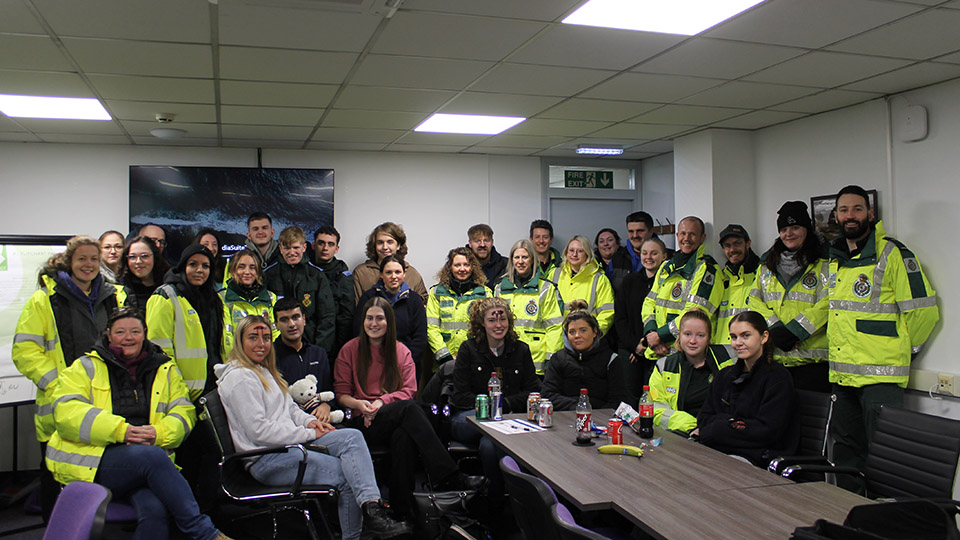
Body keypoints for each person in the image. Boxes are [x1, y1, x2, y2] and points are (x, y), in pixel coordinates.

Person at [216, 315, 411, 539]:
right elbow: (260, 432)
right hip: (267, 458)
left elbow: (289, 408)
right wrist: (309, 433)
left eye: (266, 338)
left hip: (287, 445)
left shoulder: (262, 370)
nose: (261, 344)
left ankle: (372, 510)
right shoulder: (240, 378)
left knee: (352, 437)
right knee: (347, 476)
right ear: (239, 342)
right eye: (253, 338)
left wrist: (311, 421)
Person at [46, 308, 231, 540]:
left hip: (145, 464)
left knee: (155, 511)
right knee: (152, 457)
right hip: (93, 461)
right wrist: (121, 431)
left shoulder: (165, 368)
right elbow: (65, 412)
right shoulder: (84, 367)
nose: (128, 337)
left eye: (135, 331)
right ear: (108, 335)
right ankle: (203, 532)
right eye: (120, 332)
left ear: (145, 333)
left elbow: (184, 411)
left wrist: (158, 433)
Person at [827, 185, 938, 493]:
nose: (851, 216)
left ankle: (884, 521)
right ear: (836, 216)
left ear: (870, 214)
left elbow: (924, 313)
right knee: (846, 455)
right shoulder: (836, 260)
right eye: (844, 210)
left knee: (885, 457)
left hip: (881, 380)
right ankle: (848, 515)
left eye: (857, 209)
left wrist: (905, 350)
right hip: (843, 377)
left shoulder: (894, 254)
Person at [335, 298, 487, 518]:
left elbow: (409, 390)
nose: (374, 323)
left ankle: (401, 512)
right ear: (363, 321)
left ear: (389, 322)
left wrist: (381, 402)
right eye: (369, 318)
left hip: (393, 416)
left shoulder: (401, 351)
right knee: (410, 410)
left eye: (380, 318)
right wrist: (361, 405)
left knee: (403, 435)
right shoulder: (349, 350)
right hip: (363, 422)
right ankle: (447, 475)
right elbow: (341, 394)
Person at [12, 235, 119, 520]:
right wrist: (59, 385)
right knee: (56, 476)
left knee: (96, 476)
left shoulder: (113, 297)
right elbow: (24, 350)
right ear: (69, 262)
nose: (88, 264)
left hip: (103, 404)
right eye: (82, 258)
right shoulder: (44, 299)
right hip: (61, 404)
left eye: (94, 259)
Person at [146, 243, 230, 510]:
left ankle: (201, 510)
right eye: (193, 264)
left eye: (206, 266)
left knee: (211, 456)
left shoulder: (214, 298)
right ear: (182, 266)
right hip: (180, 396)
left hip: (212, 391)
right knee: (187, 458)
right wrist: (178, 389)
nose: (200, 270)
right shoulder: (166, 297)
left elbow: (221, 345)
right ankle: (185, 513)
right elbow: (158, 351)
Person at [450, 297, 540, 495]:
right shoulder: (468, 349)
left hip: (510, 419)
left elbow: (533, 392)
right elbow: (460, 396)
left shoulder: (521, 349)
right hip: (472, 418)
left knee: (490, 446)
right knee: (492, 436)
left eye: (503, 319)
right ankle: (499, 500)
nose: (498, 325)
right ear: (481, 322)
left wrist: (505, 405)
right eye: (492, 320)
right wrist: (491, 407)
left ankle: (508, 499)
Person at [696, 311, 798, 467]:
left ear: (764, 337)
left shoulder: (778, 378)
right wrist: (730, 424)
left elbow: (767, 431)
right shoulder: (725, 375)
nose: (738, 342)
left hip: (757, 459)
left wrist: (720, 427)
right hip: (719, 451)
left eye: (746, 336)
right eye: (734, 337)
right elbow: (704, 418)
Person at [747, 202, 830, 392]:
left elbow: (828, 302)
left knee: (811, 420)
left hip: (812, 363)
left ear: (807, 229)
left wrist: (796, 330)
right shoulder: (767, 264)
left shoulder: (824, 263)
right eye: (784, 229)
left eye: (795, 227)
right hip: (775, 359)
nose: (788, 233)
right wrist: (774, 327)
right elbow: (753, 299)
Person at [639, 216, 722, 361]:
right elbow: (649, 303)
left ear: (702, 238)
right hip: (658, 352)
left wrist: (660, 336)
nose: (686, 238)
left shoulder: (707, 270)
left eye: (692, 234)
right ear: (677, 235)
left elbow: (695, 312)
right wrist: (652, 333)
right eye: (683, 233)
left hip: (689, 355)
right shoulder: (666, 266)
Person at [648, 310, 735, 436]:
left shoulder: (730, 358)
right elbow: (656, 409)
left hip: (722, 435)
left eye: (700, 335)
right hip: (683, 435)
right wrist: (694, 426)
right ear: (679, 336)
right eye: (687, 334)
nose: (693, 341)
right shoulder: (664, 366)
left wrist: (709, 428)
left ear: (709, 337)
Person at [541, 300, 630, 410]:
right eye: (572, 332)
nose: (577, 336)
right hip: (564, 418)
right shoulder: (558, 359)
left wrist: (592, 413)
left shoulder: (611, 360)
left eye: (583, 330)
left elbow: (618, 401)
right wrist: (580, 406)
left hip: (601, 420)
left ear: (595, 332)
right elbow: (548, 396)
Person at [493, 239, 563, 376]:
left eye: (525, 257)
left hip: (536, 362)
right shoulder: (500, 289)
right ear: (511, 260)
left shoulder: (546, 288)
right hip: (506, 360)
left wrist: (551, 359)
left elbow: (555, 327)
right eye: (516, 257)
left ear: (532, 259)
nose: (520, 261)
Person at [263, 226, 336, 353]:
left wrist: (318, 350)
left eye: (296, 247)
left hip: (310, 344)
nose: (292, 252)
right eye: (287, 248)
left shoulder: (316, 276)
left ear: (304, 247)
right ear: (280, 249)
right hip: (277, 348)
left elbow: (327, 317)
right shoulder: (268, 275)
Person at [355, 256, 427, 380]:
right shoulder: (368, 298)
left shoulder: (414, 300)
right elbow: (358, 331)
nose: (393, 276)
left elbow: (420, 337)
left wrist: (405, 362)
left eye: (398, 272)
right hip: (372, 365)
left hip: (407, 366)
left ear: (404, 274)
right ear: (381, 274)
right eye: (388, 272)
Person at [615, 238, 669, 394]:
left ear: (664, 256)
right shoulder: (629, 281)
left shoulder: (670, 284)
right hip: (632, 351)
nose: (649, 258)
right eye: (645, 253)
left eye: (654, 253)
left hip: (660, 349)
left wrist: (652, 344)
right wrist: (635, 346)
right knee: (632, 399)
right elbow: (620, 318)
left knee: (654, 398)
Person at [426, 247, 492, 366]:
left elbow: (489, 329)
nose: (462, 269)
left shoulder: (485, 294)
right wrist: (446, 357)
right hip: (444, 361)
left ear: (473, 267)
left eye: (466, 265)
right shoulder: (436, 293)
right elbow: (431, 328)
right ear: (450, 267)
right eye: (457, 265)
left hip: (475, 360)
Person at [273, 297, 336, 419]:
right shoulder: (270, 357)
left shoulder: (319, 354)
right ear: (276, 325)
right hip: (289, 424)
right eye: (284, 320)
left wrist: (326, 406)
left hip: (322, 421)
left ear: (304, 319)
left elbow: (330, 390)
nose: (291, 324)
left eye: (295, 317)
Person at [550, 235, 614, 336]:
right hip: (557, 336)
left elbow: (608, 312)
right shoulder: (554, 274)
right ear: (566, 252)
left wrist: (594, 333)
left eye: (580, 251)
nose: (574, 254)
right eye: (571, 250)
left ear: (587, 254)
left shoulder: (599, 279)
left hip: (586, 338)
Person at [352, 222, 428, 305]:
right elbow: (357, 307)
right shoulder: (361, 273)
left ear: (398, 245)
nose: (385, 247)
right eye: (380, 242)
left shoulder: (412, 274)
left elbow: (422, 306)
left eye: (390, 242)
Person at [220, 248, 278, 355]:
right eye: (241, 267)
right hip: (237, 362)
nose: (247, 272)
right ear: (232, 271)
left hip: (265, 361)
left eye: (252, 268)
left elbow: (275, 333)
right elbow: (227, 337)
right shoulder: (223, 298)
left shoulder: (270, 298)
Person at [714, 224, 761, 345]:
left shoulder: (762, 274)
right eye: (727, 246)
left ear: (748, 244)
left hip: (751, 351)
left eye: (737, 243)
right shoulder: (721, 277)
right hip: (722, 351)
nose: (732, 250)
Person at [314, 225, 355, 357]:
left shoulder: (343, 276)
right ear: (314, 245)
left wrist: (342, 348)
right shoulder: (306, 272)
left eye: (330, 244)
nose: (325, 248)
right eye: (321, 243)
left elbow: (346, 315)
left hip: (335, 342)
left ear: (336, 249)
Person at [117, 235, 170, 313]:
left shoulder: (169, 285)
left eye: (144, 256)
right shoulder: (119, 288)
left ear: (155, 257)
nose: (138, 261)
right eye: (132, 257)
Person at [593, 228, 631, 294]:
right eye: (601, 241)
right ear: (598, 246)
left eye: (610, 240)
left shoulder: (629, 260)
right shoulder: (591, 264)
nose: (605, 244)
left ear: (617, 243)